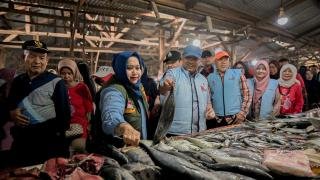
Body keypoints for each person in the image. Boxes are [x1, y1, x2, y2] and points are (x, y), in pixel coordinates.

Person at [7, 40, 70, 166]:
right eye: (32, 56)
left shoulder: (56, 82)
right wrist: (11, 114)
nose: (37, 62)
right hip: (21, 142)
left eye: (42, 58)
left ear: (47, 61)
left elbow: (64, 118)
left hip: (48, 144)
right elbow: (9, 106)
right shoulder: (17, 81)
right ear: (23, 57)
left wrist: (47, 132)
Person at [91, 51, 149, 149]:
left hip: (138, 147)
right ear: (120, 68)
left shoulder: (137, 87)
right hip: (118, 150)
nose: (135, 72)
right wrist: (123, 126)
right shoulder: (113, 90)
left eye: (137, 68)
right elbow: (111, 115)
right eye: (129, 68)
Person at [160, 45, 215, 135]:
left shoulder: (203, 80)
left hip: (200, 131)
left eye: (194, 59)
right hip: (176, 132)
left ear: (199, 60)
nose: (191, 61)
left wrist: (210, 110)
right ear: (182, 58)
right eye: (188, 58)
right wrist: (166, 85)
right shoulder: (173, 73)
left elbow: (208, 103)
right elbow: (162, 89)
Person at [58, 58, 93, 153]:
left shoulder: (81, 87)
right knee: (61, 152)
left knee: (79, 147)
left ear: (74, 73)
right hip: (63, 126)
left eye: (69, 73)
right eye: (63, 73)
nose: (66, 76)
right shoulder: (57, 87)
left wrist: (89, 123)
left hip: (79, 125)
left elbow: (88, 106)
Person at [208, 50, 251, 126]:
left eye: (226, 59)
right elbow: (208, 98)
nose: (223, 62)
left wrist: (242, 113)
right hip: (217, 119)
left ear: (229, 62)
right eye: (220, 60)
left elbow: (247, 95)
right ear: (215, 62)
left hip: (236, 118)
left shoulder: (238, 74)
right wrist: (211, 113)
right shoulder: (210, 78)